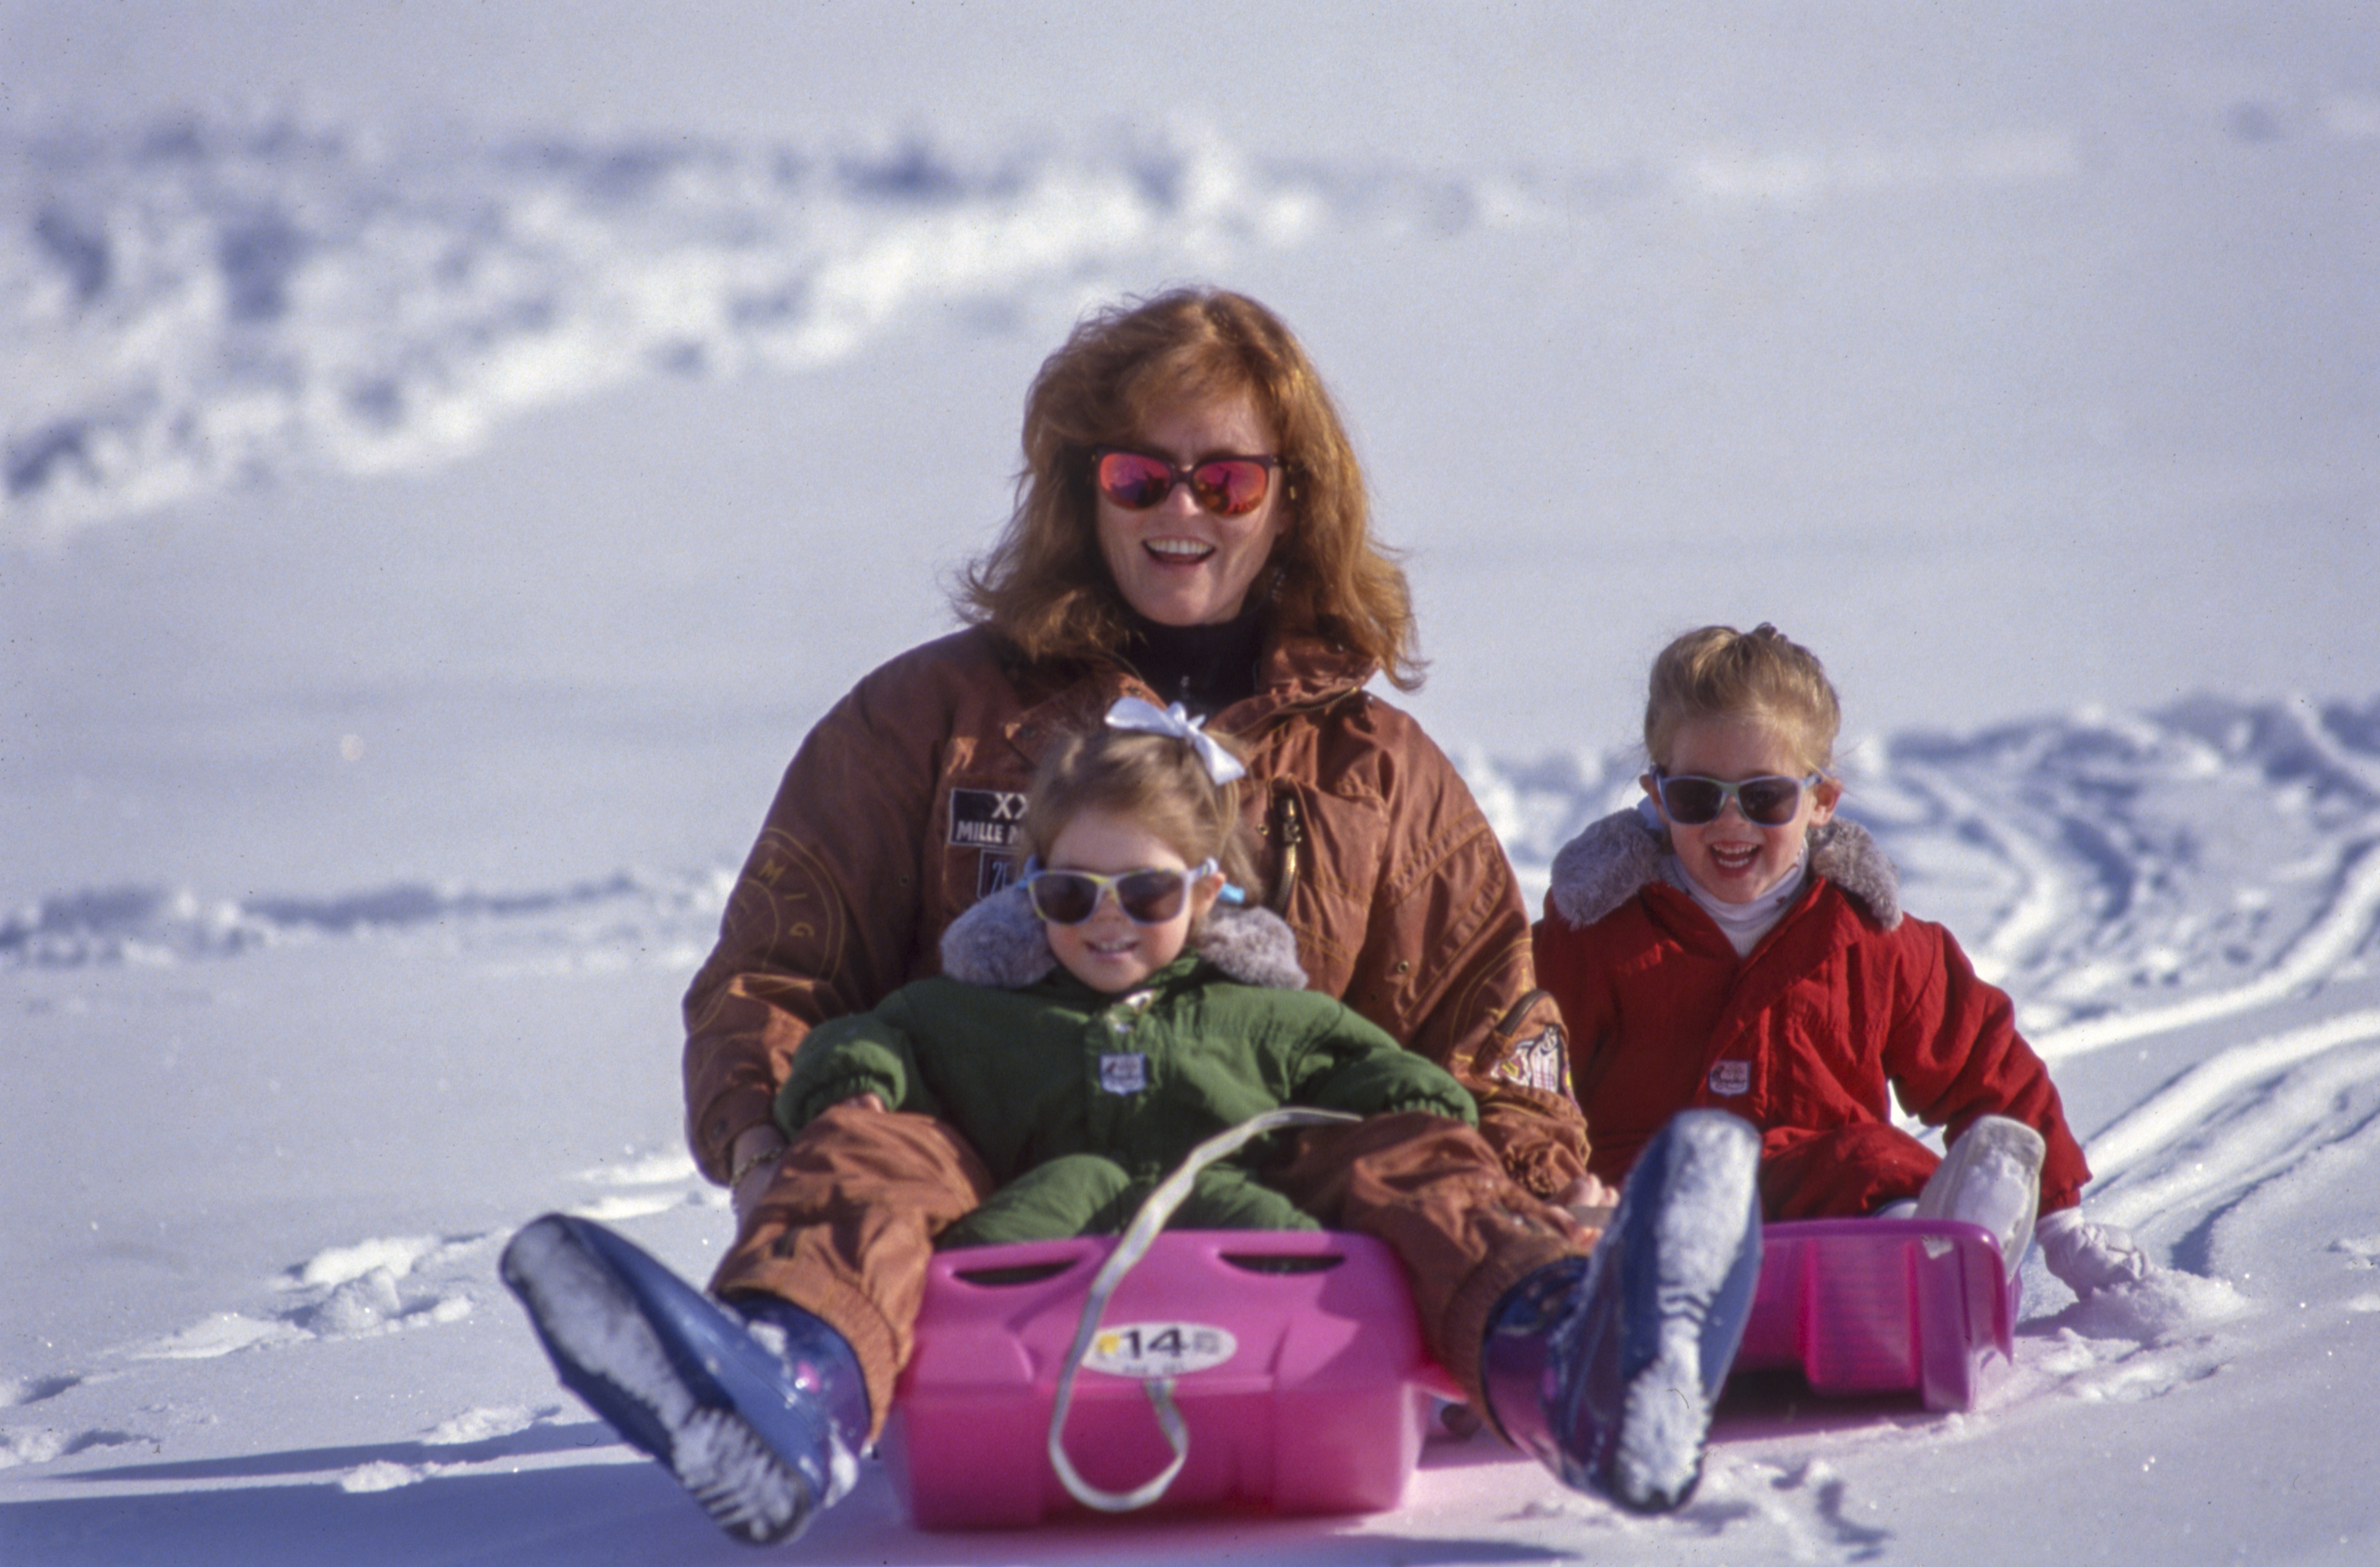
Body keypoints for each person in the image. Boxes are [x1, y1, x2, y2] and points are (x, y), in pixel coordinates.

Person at [503, 707, 1768, 1543]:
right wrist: (846, 1089)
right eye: (1070, 891)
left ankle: (1565, 1367)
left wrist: (1440, 1124)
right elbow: (875, 1040)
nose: (1107, 919)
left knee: (1400, 1161)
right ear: (1030, 894)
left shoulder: (1259, 1015)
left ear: (1207, 891)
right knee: (880, 1155)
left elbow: (1384, 1071)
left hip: (1257, 1229)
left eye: (1147, 891)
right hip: (1028, 1230)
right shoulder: (976, 1012)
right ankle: (797, 1387)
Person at [682, 286, 1589, 1224]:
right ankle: (793, 1348)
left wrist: (1532, 1190)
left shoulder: (1376, 774)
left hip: (1293, 1253)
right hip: (975, 1243)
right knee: (874, 1158)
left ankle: (1541, 1329)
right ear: (1085, 492)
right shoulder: (923, 722)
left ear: (1293, 502)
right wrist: (767, 1149)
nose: (1183, 508)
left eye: (1228, 482)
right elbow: (776, 974)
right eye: (1138, 478)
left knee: (1411, 1161)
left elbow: (1489, 1028)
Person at [1531, 624, 2155, 1291]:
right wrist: (1549, 1195)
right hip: (1655, 1209)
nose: (1731, 822)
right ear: (1658, 797)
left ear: (1821, 801)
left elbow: (1986, 1063)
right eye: (1697, 796)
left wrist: (2062, 1224)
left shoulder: (1866, 937)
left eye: (1765, 797)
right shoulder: (1597, 938)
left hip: (1825, 1224)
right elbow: (1520, 1081)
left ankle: (1922, 1263)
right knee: (1615, 1203)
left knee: (1877, 1158)